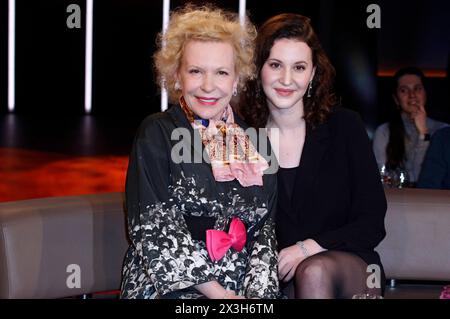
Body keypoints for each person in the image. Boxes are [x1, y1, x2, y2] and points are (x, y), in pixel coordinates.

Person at [120, 5, 279, 299]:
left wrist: (257, 297)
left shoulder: (257, 141)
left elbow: (264, 232)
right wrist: (220, 296)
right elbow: (154, 228)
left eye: (221, 72)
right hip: (169, 285)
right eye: (196, 71)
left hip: (239, 287)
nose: (208, 86)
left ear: (235, 81)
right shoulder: (156, 133)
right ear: (177, 77)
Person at [240, 13, 387, 298]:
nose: (286, 79)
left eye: (299, 67)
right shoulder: (243, 138)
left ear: (313, 74)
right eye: (275, 65)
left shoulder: (345, 127)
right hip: (276, 276)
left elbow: (371, 222)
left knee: (313, 270)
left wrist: (306, 248)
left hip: (349, 267)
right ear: (259, 70)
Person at [373, 67, 448, 186]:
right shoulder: (384, 131)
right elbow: (380, 177)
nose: (412, 95)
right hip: (395, 200)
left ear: (425, 93)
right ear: (396, 99)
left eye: (417, 89)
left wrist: (423, 134)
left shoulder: (443, 131)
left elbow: (426, 180)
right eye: (404, 90)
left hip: (433, 200)